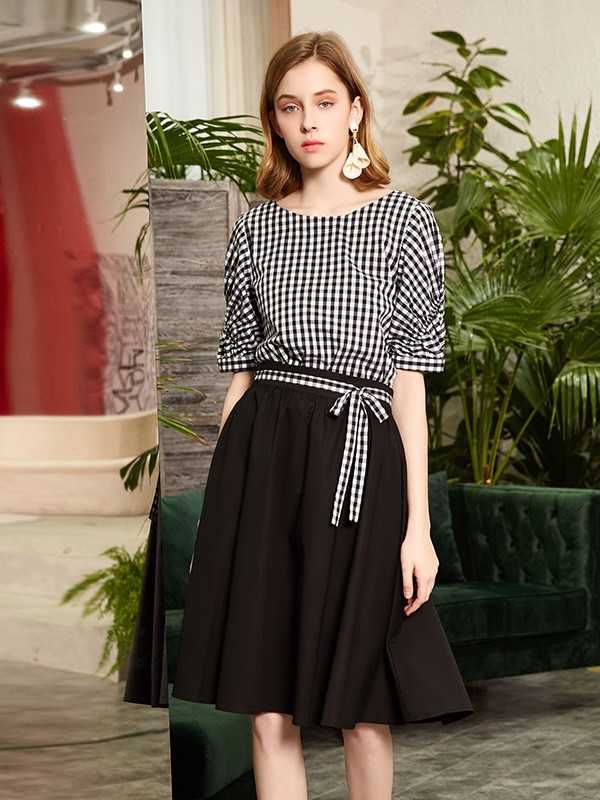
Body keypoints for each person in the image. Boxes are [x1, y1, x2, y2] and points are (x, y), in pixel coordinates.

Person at [172, 30, 473, 800]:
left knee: (361, 705)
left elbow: (409, 385)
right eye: (289, 106)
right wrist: (216, 515)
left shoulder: (404, 221)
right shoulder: (257, 226)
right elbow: (241, 378)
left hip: (360, 462)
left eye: (325, 102)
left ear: (355, 111)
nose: (308, 121)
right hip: (262, 462)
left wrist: (417, 528)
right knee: (267, 707)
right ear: (273, 120)